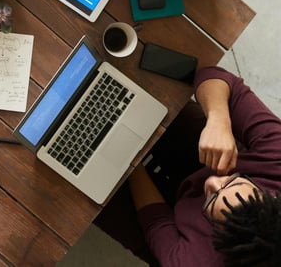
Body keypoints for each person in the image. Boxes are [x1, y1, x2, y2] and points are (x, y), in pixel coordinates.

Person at [96, 67, 281, 266]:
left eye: (212, 198)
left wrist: (129, 158)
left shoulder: (194, 261)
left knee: (97, 192)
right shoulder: (277, 159)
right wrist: (218, 121)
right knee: (157, 98)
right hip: (210, 157)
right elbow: (212, 75)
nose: (213, 182)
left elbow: (156, 220)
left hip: (175, 231)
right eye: (233, 182)